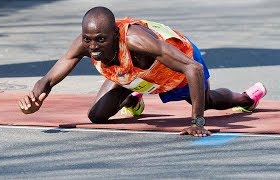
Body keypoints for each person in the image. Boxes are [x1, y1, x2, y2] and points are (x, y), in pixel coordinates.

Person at [18, 6, 267, 137]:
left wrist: (198, 122)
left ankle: (247, 97)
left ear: (115, 34)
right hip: (131, 75)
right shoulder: (86, 42)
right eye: (89, 39)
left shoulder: (137, 40)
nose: (93, 47)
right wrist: (36, 96)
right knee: (97, 116)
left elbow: (194, 68)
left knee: (207, 100)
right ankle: (134, 99)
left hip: (176, 67)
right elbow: (51, 76)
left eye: (101, 40)